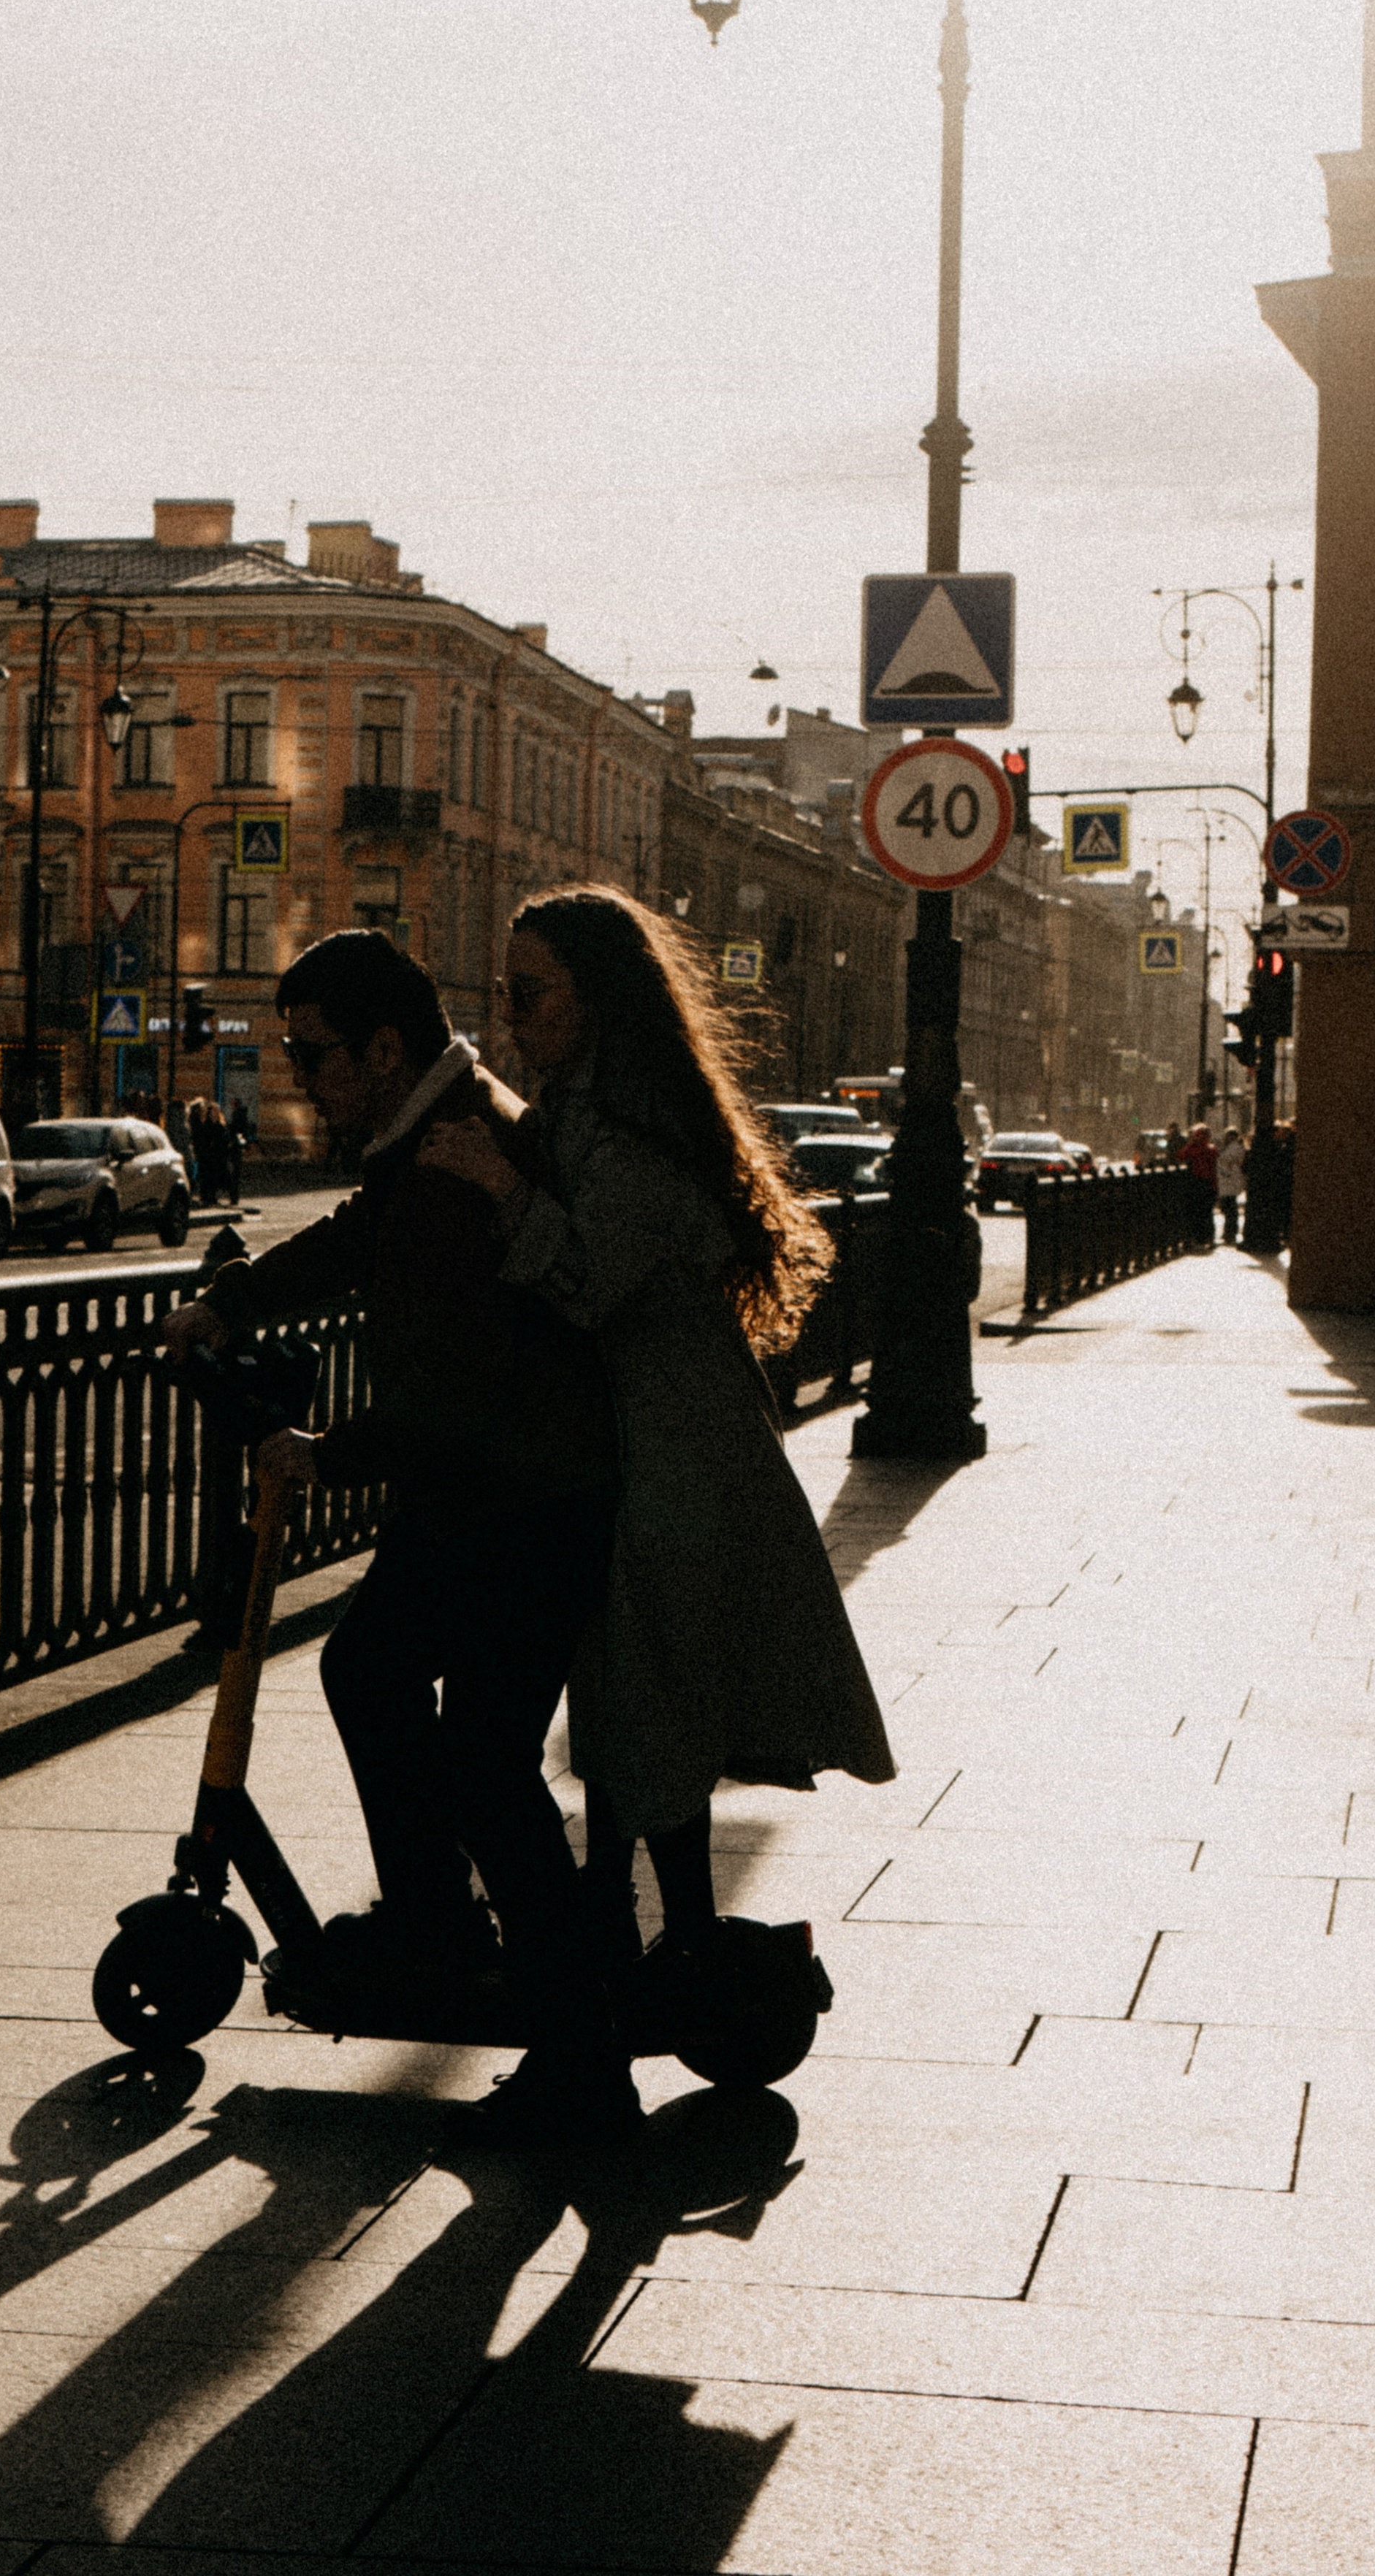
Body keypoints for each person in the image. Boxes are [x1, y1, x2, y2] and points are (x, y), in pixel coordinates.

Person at [161, 929, 633, 2146]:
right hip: (492, 1493)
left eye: (312, 1054)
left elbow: (455, 1389)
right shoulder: (430, 1133)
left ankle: (573, 2042)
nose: (300, 1076)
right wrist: (235, 1298)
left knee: (474, 1753)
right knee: (384, 1682)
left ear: (382, 1050)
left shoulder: (454, 1153)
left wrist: (329, 1454)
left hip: (522, 1501)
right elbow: (357, 1238)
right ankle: (447, 1927)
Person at [417, 885, 894, 1975]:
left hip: (673, 1443)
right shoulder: (587, 1103)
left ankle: (670, 1944)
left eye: (531, 993)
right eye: (507, 991)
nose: (512, 1013)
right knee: (634, 1692)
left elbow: (588, 1281)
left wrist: (495, 1179)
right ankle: (662, 1934)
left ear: (600, 997)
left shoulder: (638, 1129)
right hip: (633, 1434)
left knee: (650, 1686)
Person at [1178, 1122, 1218, 1247]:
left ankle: (1197, 1238)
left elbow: (1182, 1155)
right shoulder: (1211, 1149)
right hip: (1207, 1183)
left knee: (1196, 1212)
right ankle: (1208, 1238)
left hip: (1198, 1182)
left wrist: (1191, 1144)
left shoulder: (1197, 1149)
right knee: (1206, 1212)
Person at [1216, 1124, 1248, 1245]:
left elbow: (1227, 1160)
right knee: (1228, 1207)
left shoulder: (1235, 1148)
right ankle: (1229, 1231)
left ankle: (1230, 1232)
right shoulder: (1229, 1147)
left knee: (1230, 1208)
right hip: (1227, 1181)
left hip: (1230, 1180)